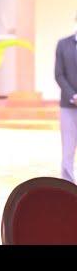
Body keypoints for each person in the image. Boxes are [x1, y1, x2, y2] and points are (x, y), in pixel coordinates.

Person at [55, 17, 77, 183]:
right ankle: (68, 186)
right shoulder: (63, 44)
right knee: (68, 150)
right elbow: (59, 74)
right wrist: (73, 95)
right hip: (68, 106)